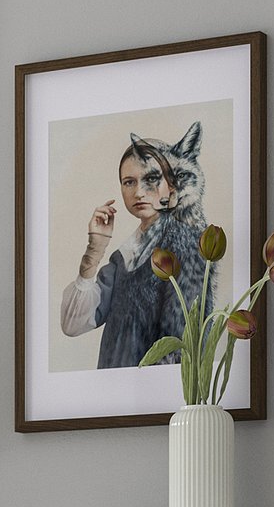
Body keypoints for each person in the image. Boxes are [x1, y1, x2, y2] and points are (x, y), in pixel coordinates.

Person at [60, 133, 210, 371]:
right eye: (129, 181)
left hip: (152, 396)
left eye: (150, 179)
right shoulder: (124, 256)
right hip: (111, 396)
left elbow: (183, 344)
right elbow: (73, 324)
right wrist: (95, 249)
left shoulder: (185, 244)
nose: (139, 192)